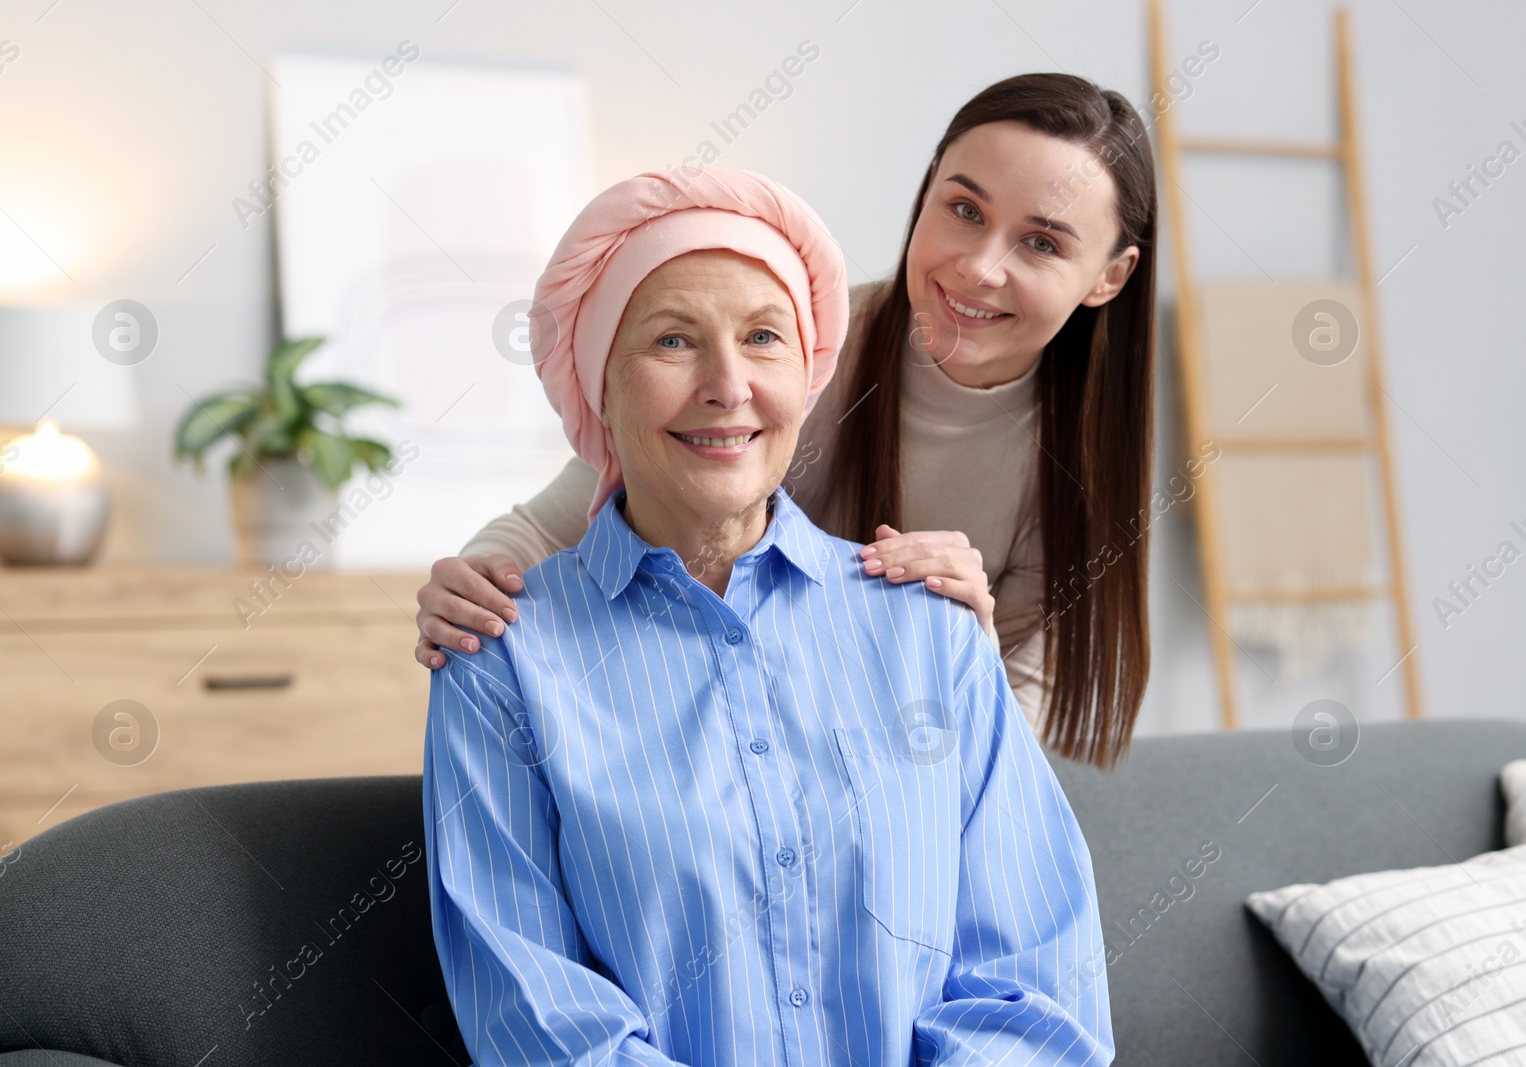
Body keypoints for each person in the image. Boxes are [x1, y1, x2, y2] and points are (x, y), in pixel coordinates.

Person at [424, 166, 1113, 1067]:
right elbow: (542, 1022)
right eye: (673, 340)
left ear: (808, 374)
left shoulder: (934, 630)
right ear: (598, 385)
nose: (727, 384)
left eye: (763, 338)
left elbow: (1038, 985)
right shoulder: (500, 660)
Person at [416, 72, 1157, 768]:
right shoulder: (791, 355)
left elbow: (1005, 755)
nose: (979, 268)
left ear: (1110, 276)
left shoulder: (1085, 453)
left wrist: (971, 650)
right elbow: (564, 516)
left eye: (1042, 242)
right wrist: (471, 584)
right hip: (704, 754)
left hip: (889, 788)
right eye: (965, 210)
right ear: (927, 190)